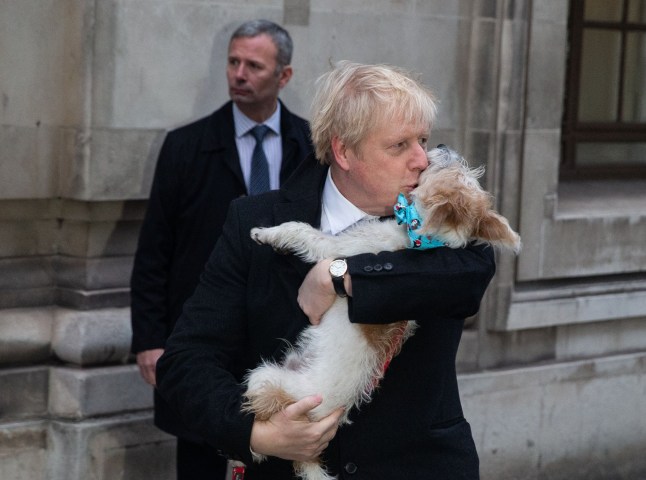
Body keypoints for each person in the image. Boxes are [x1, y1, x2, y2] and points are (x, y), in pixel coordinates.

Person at [156, 61, 496, 479]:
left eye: (423, 140)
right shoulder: (253, 221)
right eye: (400, 145)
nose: (422, 160)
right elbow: (186, 360)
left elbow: (468, 277)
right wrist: (258, 434)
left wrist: (341, 273)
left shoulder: (442, 219)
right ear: (343, 151)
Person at [129, 19, 313, 480]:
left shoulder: (312, 148)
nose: (239, 73)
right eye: (233, 62)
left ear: (283, 76)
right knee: (199, 456)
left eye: (254, 65)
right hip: (202, 337)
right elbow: (154, 251)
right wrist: (151, 339)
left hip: (284, 342)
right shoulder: (185, 146)